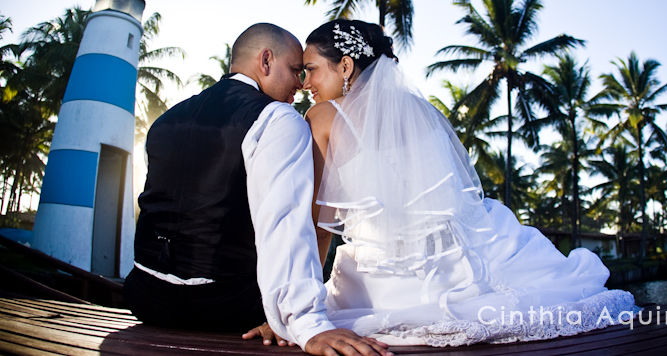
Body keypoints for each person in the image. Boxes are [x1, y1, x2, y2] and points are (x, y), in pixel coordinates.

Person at [300, 19, 637, 346]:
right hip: (461, 255)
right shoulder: (422, 110)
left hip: (383, 277)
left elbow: (320, 225)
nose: (304, 83)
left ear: (345, 66)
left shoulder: (323, 116)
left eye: (311, 69)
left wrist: (305, 302)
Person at [124, 23, 391, 356]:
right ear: (266, 61)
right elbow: (284, 227)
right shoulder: (277, 118)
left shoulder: (165, 119)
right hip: (227, 308)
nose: (301, 83)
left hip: (145, 299)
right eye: (296, 70)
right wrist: (307, 324)